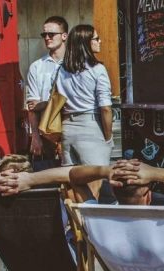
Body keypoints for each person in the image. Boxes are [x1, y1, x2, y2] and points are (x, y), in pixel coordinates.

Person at [57, 24, 113, 200]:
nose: (100, 41)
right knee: (94, 181)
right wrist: (108, 136)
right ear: (86, 43)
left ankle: (74, 223)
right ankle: (89, 224)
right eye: (96, 39)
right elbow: (105, 107)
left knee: (71, 181)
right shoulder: (98, 69)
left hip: (67, 127)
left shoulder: (62, 69)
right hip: (91, 125)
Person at [26, 16, 69, 167]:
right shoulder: (37, 67)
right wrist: (35, 137)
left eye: (52, 34)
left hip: (70, 130)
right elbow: (31, 106)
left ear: (64, 36)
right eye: (44, 35)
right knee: (46, 177)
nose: (47, 38)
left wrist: (43, 104)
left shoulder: (73, 64)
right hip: (46, 133)